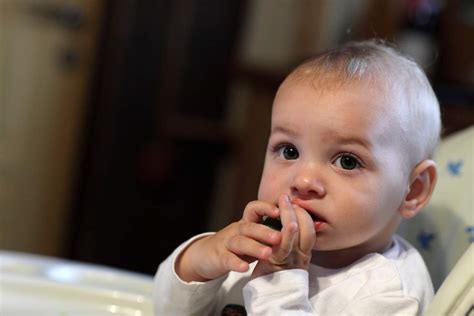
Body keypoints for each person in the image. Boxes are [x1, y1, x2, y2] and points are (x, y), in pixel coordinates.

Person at [153, 39, 441, 315]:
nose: (303, 181)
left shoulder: (391, 295)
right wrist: (198, 264)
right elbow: (165, 311)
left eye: (347, 161)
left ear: (413, 189)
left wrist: (280, 282)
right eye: (289, 151)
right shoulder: (260, 247)